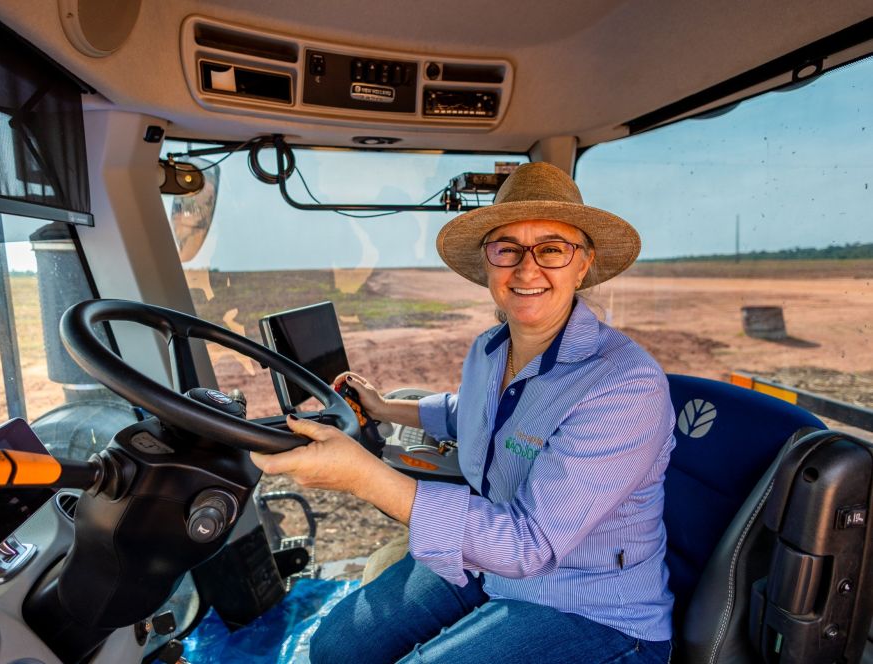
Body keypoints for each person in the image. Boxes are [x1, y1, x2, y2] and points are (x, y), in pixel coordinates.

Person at [250, 162, 676, 663]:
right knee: (335, 646)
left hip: (590, 607)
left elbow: (528, 545)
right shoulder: (490, 349)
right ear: (488, 263)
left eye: (552, 249)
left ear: (583, 265)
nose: (527, 269)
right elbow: (469, 412)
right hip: (489, 563)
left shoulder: (625, 384)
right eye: (507, 249)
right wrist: (386, 407)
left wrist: (363, 477)